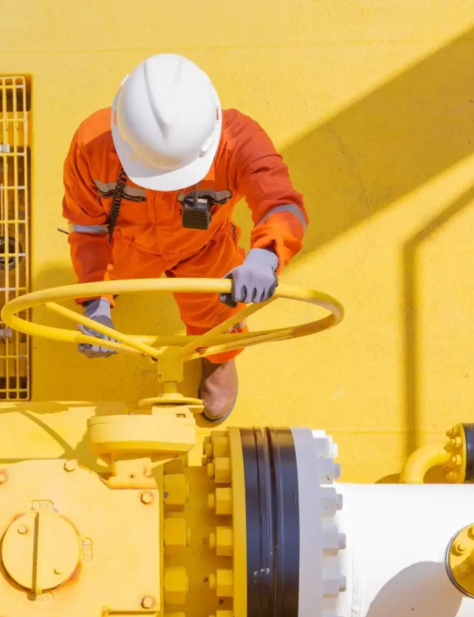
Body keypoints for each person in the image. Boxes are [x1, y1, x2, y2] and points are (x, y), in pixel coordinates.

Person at [62, 53, 307, 423]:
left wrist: (266, 256)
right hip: (126, 245)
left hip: (203, 247)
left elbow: (281, 204)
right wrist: (95, 300)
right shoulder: (90, 146)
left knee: (219, 313)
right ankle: (106, 305)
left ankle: (218, 356)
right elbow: (89, 227)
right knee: (99, 298)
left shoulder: (240, 143)